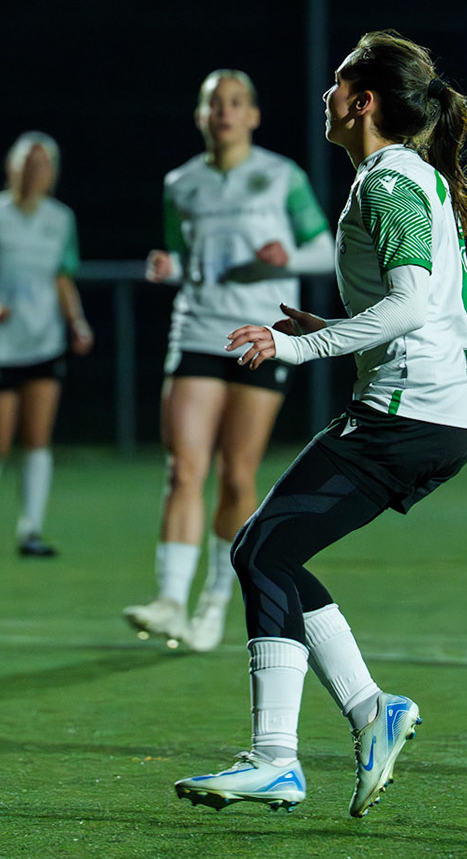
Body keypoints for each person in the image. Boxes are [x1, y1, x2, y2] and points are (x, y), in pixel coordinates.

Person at [174, 31, 467, 818]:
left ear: (364, 100)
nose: (326, 93)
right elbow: (415, 305)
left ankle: (278, 757)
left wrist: (297, 343)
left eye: (339, 80)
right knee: (266, 549)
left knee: (261, 550)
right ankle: (372, 713)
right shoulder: (403, 176)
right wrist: (329, 323)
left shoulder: (385, 181)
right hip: (429, 415)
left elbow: (412, 304)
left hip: (409, 416)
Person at [123, 69, 331, 653]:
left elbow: (322, 249)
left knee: (238, 475)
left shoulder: (280, 175)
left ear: (253, 116)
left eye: (236, 103)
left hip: (260, 337)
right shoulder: (181, 182)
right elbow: (185, 259)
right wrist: (168, 269)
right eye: (215, 103)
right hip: (196, 331)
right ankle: (168, 600)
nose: (225, 113)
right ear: (200, 115)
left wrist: (284, 255)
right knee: (183, 468)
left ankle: (214, 600)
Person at [0, 133, 93, 556]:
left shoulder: (61, 218)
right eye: (27, 163)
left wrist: (77, 322)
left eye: (43, 164)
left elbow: (62, 276)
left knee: (37, 438)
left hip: (44, 340)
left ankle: (30, 531)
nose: (35, 171)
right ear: (10, 167)